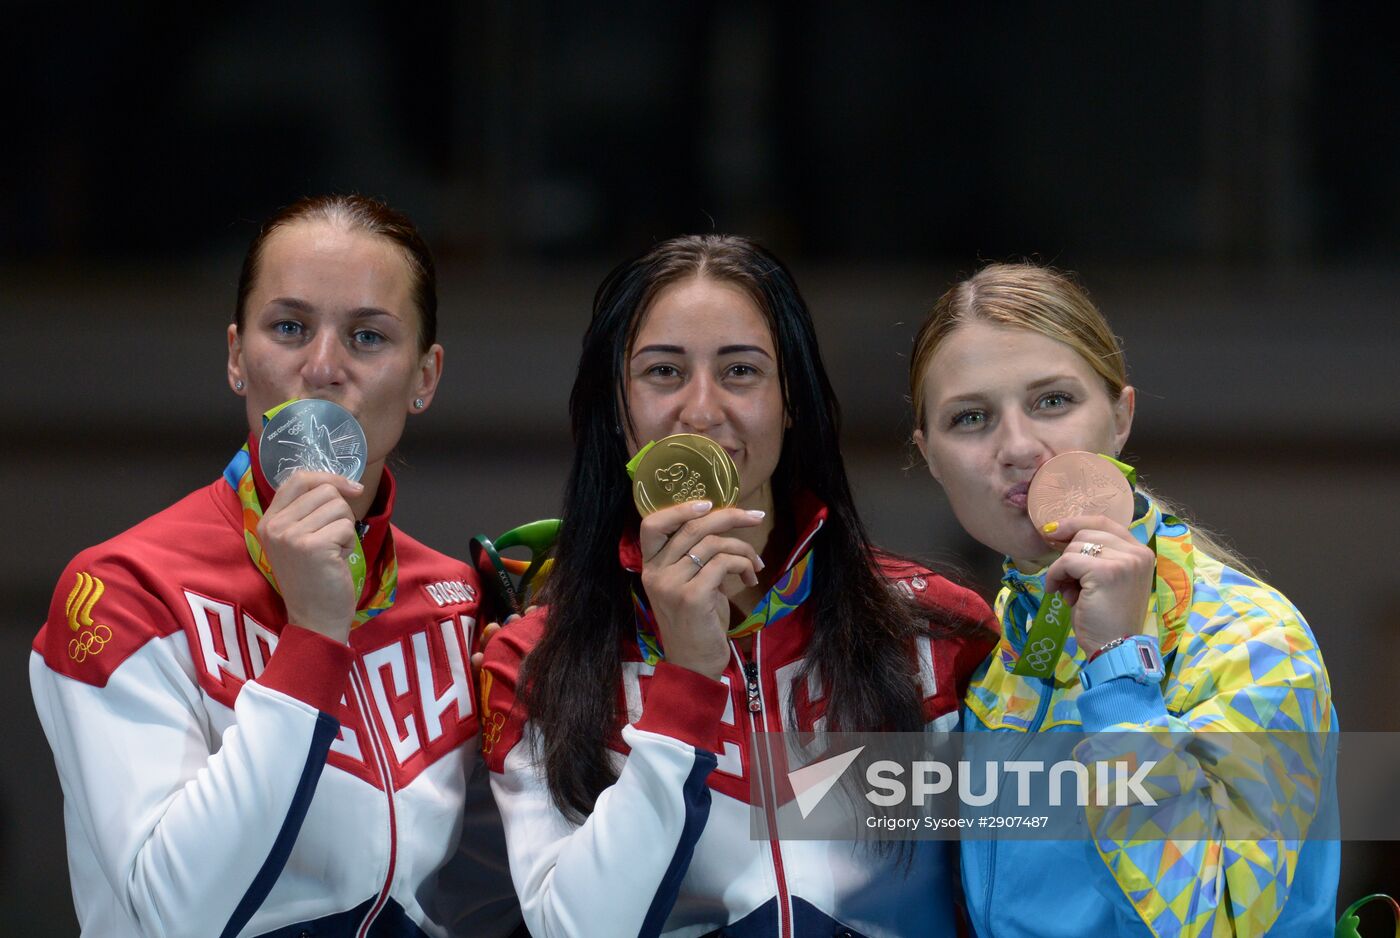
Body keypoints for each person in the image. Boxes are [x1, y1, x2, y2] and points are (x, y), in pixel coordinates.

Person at [479, 234, 998, 937]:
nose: (701, 409)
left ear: (790, 401)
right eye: (663, 372)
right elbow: (576, 928)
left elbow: (1040, 878)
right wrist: (687, 679)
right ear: (618, 408)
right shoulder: (536, 661)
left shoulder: (938, 635)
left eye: (741, 371)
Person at [30, 195, 520, 937]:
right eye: (288, 327)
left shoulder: (456, 603)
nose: (322, 367)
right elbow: (176, 912)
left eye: (367, 336)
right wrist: (314, 635)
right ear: (236, 357)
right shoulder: (126, 591)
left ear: (425, 377)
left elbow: (492, 900)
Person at [908, 261, 1338, 937]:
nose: (1019, 447)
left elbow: (1217, 917)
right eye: (971, 418)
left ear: (1120, 417)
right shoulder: (1000, 663)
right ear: (929, 455)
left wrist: (1117, 669)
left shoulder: (1250, 639)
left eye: (1052, 401)